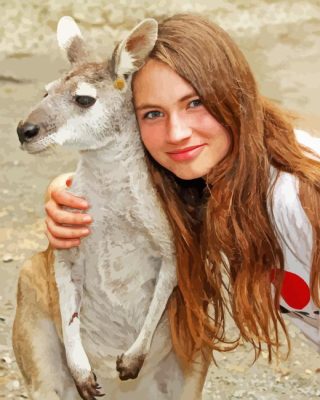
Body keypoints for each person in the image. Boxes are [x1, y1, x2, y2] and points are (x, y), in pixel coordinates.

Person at [44, 13, 320, 366]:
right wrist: (63, 193)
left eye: (194, 103)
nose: (177, 133)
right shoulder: (208, 182)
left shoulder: (295, 199)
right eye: (153, 114)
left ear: (232, 95)